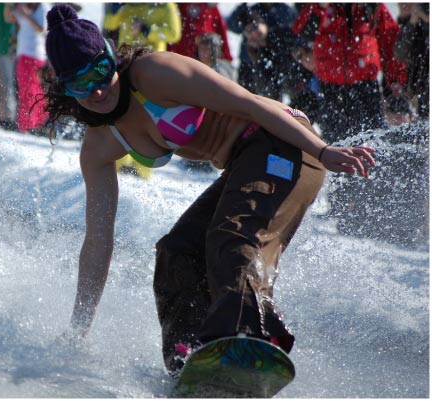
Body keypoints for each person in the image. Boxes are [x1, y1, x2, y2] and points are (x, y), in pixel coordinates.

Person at [42, 4, 375, 375]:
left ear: (111, 57)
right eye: (80, 83)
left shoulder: (154, 73)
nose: (97, 89)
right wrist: (79, 328)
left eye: (101, 71)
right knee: (177, 252)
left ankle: (250, 340)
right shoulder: (99, 146)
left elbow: (249, 104)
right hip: (243, 163)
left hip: (286, 143)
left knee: (232, 238)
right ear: (65, 88)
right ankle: (193, 359)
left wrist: (323, 150)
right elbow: (98, 241)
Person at [292, 4, 408, 143]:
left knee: (374, 141)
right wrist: (319, 7)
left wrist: (395, 82)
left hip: (366, 87)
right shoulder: (320, 7)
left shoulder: (372, 6)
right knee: (335, 144)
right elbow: (300, 31)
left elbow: (391, 45)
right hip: (331, 89)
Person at [4, 3, 49, 133]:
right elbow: (9, 18)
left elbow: (42, 29)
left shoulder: (43, 7)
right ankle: (27, 124)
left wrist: (27, 15)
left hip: (34, 54)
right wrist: (7, 5)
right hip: (22, 54)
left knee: (33, 90)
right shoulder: (24, 5)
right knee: (24, 89)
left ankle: (34, 124)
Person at [394, 3, 429, 119]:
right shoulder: (411, 23)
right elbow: (400, 53)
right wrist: (413, 22)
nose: (404, 4)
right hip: (422, 92)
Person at [103, 2, 182, 52]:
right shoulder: (128, 4)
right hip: (125, 58)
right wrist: (114, 10)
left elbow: (174, 34)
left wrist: (146, 30)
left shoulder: (165, 5)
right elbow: (109, 25)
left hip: (152, 59)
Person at [168, 3, 232, 63]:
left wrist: (226, 57)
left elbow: (221, 31)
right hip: (178, 56)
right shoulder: (174, 5)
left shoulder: (210, 7)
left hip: (204, 59)